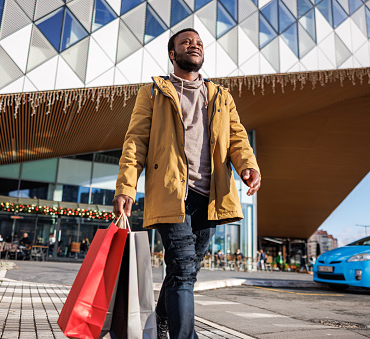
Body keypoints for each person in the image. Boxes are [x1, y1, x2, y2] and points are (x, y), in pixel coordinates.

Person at [112, 28, 261, 339]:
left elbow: (237, 138)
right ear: (172, 54)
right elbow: (135, 141)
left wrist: (248, 166)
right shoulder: (154, 92)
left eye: (199, 43)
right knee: (182, 270)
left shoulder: (221, 96)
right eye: (186, 42)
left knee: (186, 270)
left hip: (211, 196)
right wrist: (126, 187)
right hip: (172, 193)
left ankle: (162, 318)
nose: (194, 46)